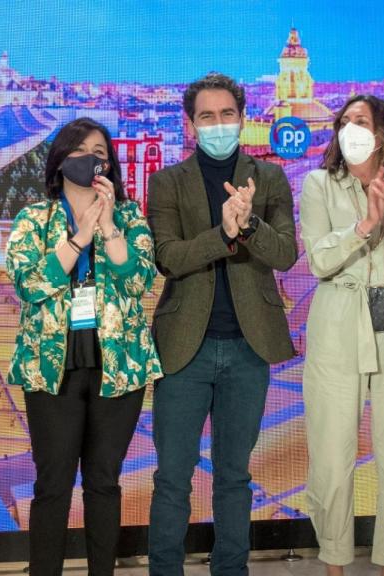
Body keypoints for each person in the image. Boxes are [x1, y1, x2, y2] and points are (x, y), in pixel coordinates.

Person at [146, 72, 297, 575]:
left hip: (248, 348)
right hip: (184, 346)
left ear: (242, 118)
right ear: (190, 125)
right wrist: (224, 233)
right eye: (206, 117)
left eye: (226, 115)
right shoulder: (166, 182)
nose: (217, 124)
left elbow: (285, 255)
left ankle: (231, 569)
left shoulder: (269, 178)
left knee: (234, 476)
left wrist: (249, 224)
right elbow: (169, 257)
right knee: (172, 476)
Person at [5, 117, 162, 575]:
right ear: (60, 161)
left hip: (118, 367)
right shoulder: (34, 218)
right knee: (52, 484)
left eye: (99, 152)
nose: (91, 159)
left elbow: (138, 282)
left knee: (103, 483)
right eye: (80, 150)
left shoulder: (131, 217)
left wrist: (109, 226)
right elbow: (29, 285)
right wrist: (78, 239)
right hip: (51, 369)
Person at [299, 94, 384, 575]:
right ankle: (334, 562)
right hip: (339, 313)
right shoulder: (318, 184)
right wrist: (365, 225)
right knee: (332, 449)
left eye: (361, 120)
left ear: (383, 131)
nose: (350, 127)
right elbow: (319, 259)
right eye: (344, 121)